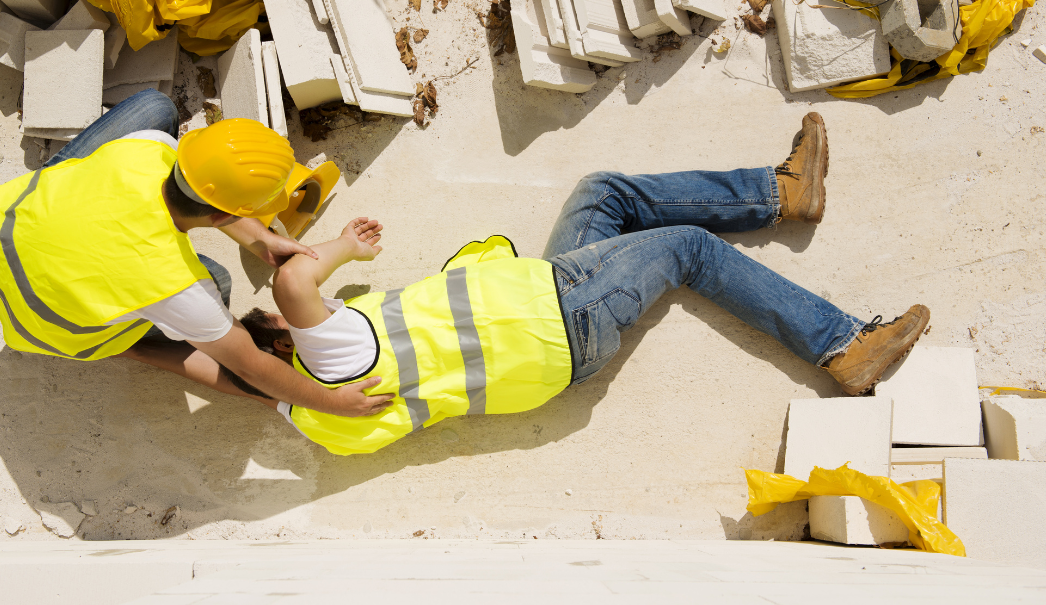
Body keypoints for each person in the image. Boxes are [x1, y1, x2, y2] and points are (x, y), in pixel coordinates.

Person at [235, 113, 930, 455]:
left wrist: (239, 359)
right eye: (275, 323)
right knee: (689, 248)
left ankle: (785, 192)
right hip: (558, 313)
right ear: (286, 346)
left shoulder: (317, 423)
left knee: (604, 194)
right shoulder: (335, 359)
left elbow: (225, 368)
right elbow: (297, 280)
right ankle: (842, 346)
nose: (296, 313)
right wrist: (339, 249)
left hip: (548, 327)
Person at [0, 88, 393, 418]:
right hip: (46, 324)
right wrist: (332, 402)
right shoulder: (181, 288)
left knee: (155, 106)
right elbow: (250, 368)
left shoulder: (148, 147)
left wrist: (259, 238)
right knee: (220, 283)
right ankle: (121, 341)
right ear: (227, 213)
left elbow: (204, 195)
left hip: (2, 229)